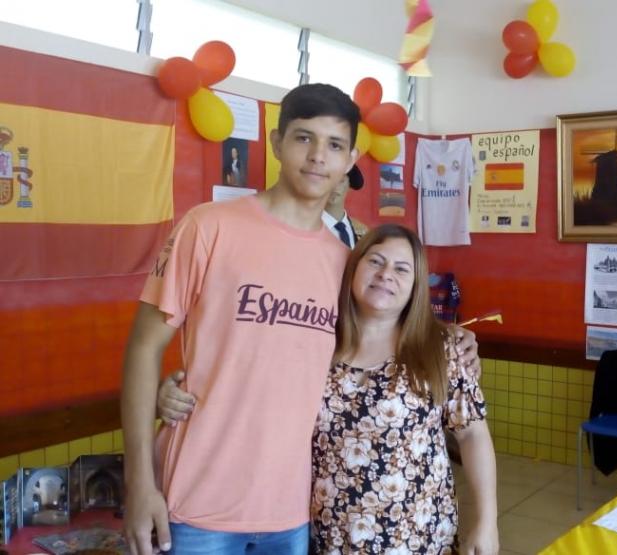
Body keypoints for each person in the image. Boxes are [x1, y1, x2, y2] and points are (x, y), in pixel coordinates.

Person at [121, 82, 480, 555]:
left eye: (333, 145)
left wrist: (451, 337)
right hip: (196, 504)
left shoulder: (345, 264)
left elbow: (386, 327)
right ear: (276, 143)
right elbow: (144, 346)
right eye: (303, 138)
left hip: (293, 512)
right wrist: (138, 484)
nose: (317, 157)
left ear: (350, 158)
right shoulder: (208, 227)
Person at [160, 224, 499, 554]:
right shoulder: (315, 341)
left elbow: (472, 435)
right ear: (353, 269)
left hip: (417, 535)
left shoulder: (439, 349)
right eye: (376, 261)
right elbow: (248, 382)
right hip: (329, 534)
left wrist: (487, 520)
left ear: (415, 286)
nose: (385, 275)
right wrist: (167, 394)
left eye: (402, 268)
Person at [322, 166, 368, 248]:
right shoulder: (305, 227)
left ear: (349, 186)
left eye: (341, 181)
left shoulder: (362, 232)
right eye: (329, 180)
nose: (335, 187)